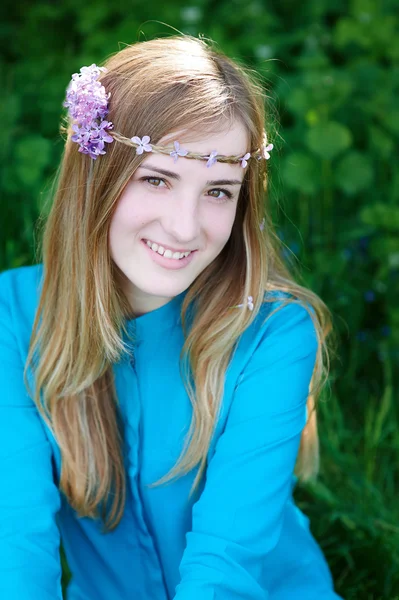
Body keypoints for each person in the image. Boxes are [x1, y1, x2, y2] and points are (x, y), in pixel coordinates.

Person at [0, 35, 343, 600]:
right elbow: (15, 544)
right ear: (97, 178)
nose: (185, 229)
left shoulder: (273, 331)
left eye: (218, 191)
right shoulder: (15, 320)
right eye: (156, 179)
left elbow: (225, 567)